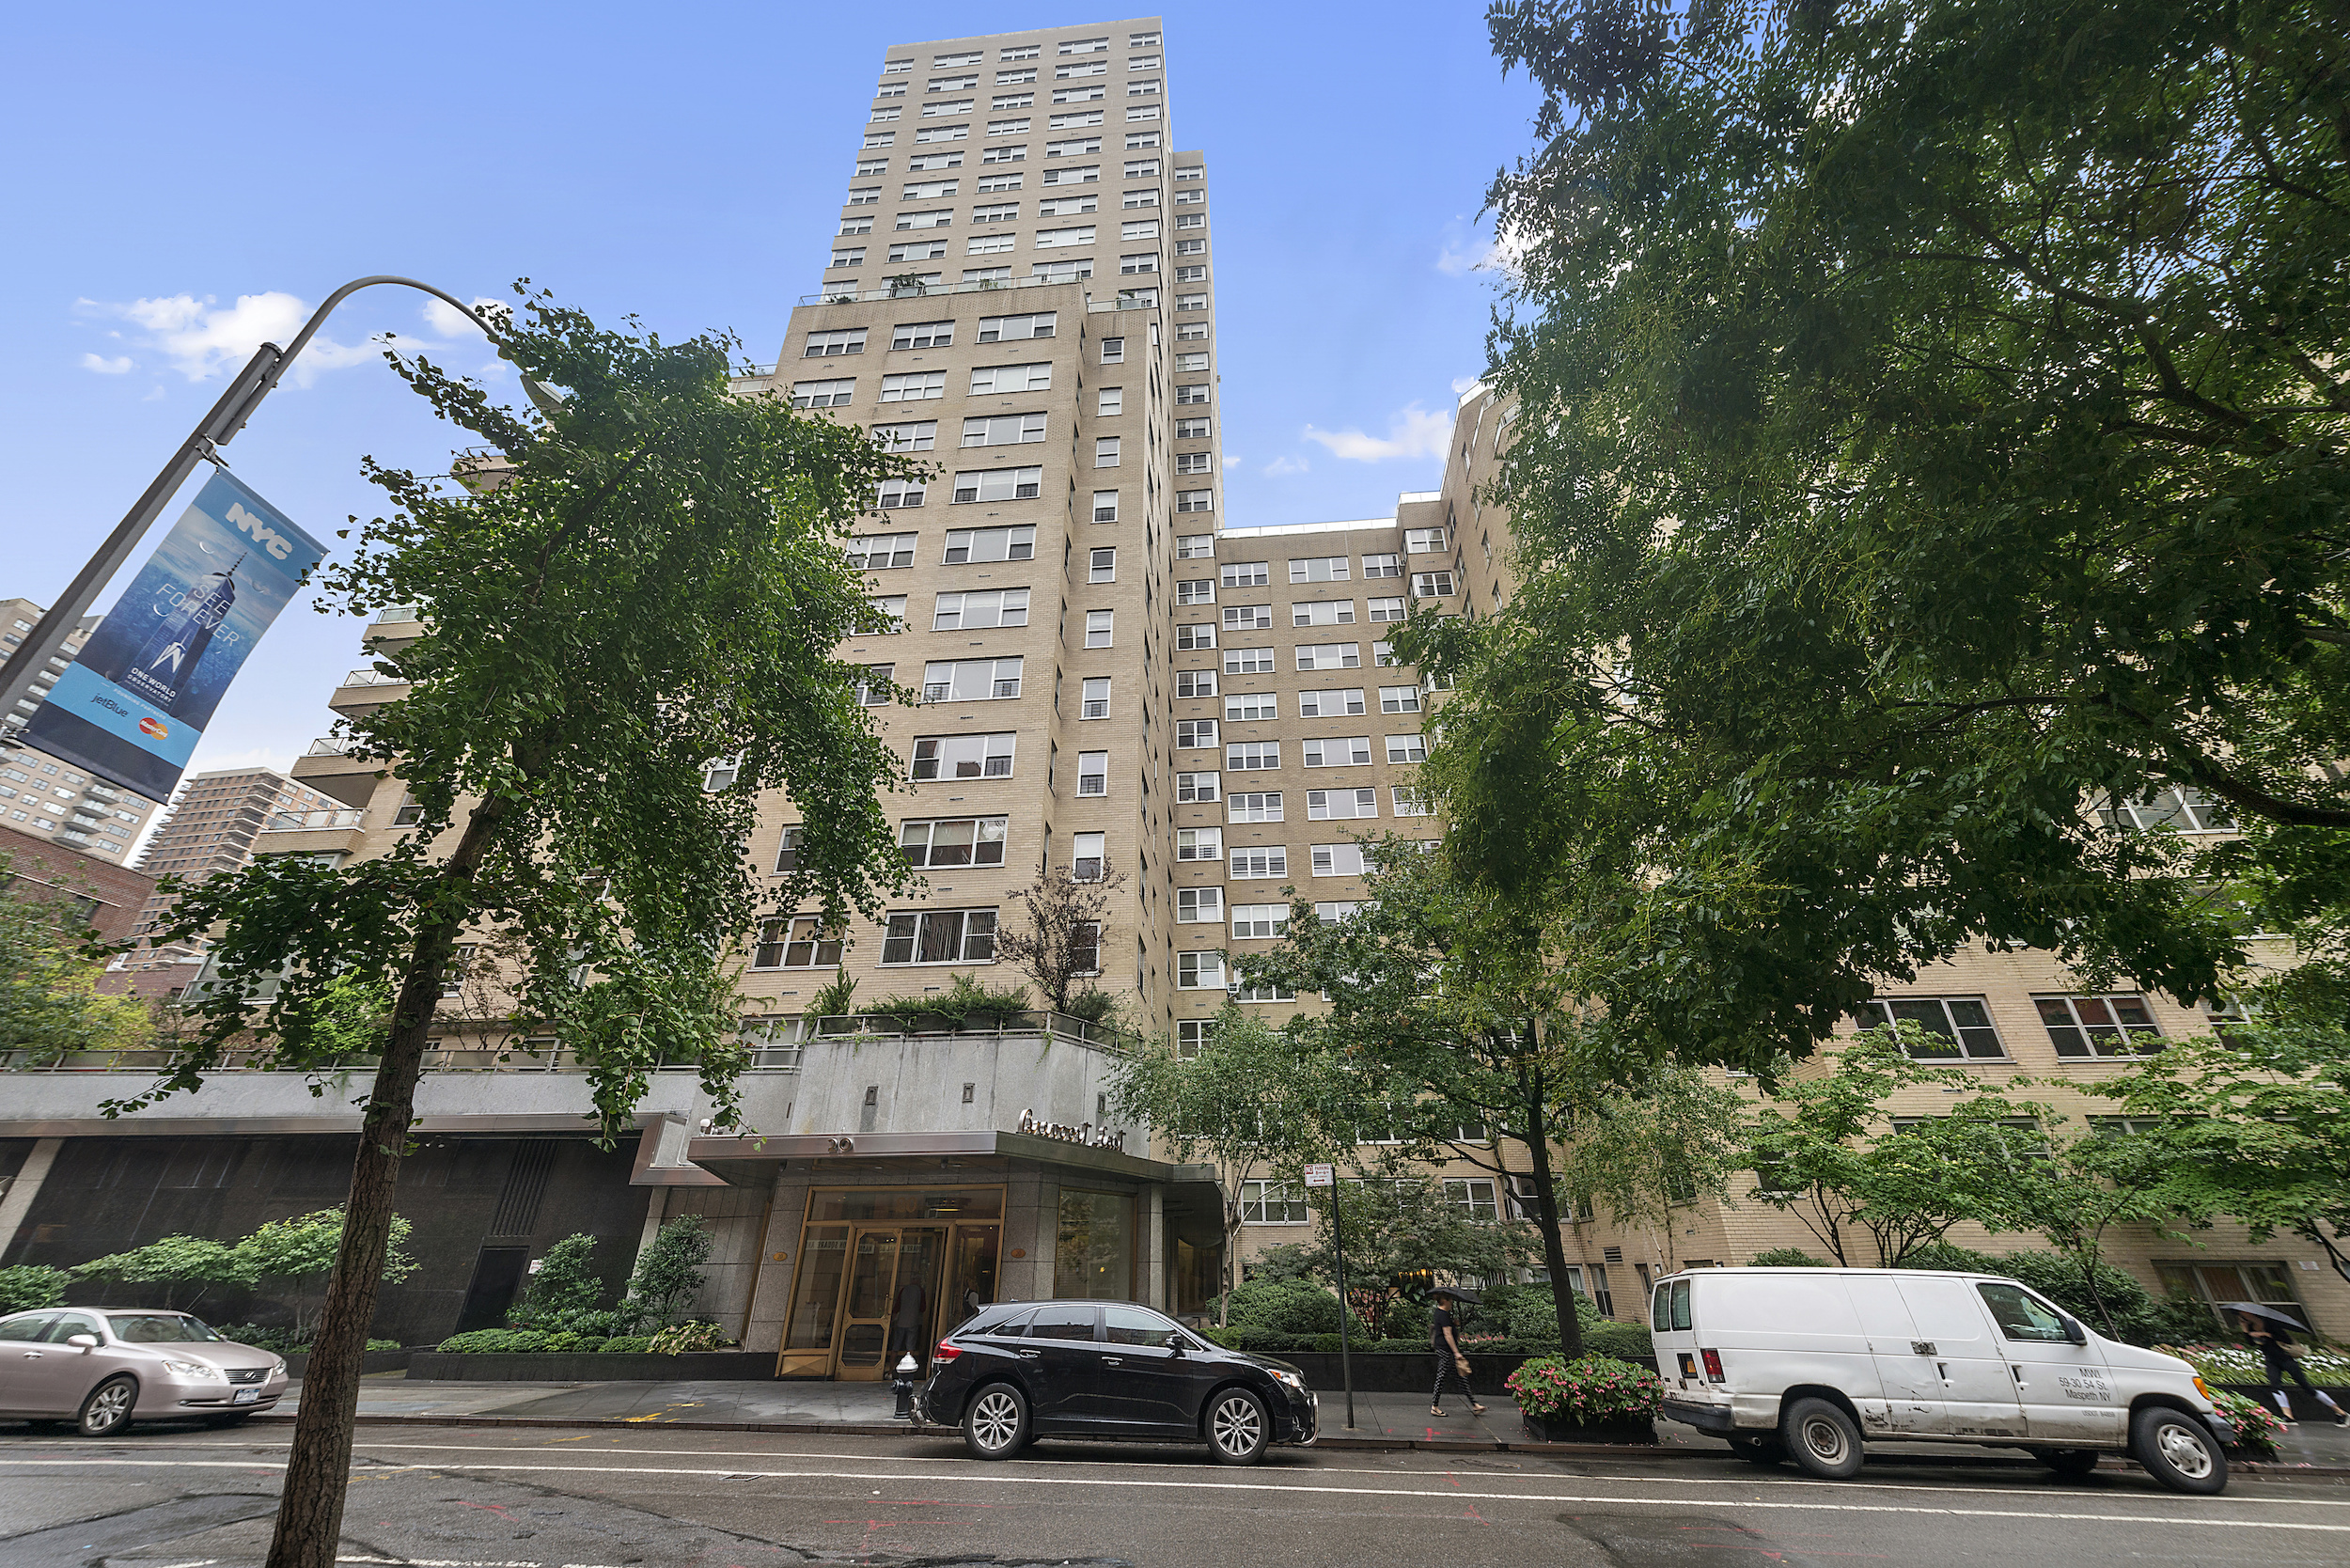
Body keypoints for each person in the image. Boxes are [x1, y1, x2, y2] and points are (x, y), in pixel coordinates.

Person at [2240, 1309, 2348, 1425]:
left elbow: (2285, 1339)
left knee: (2307, 1387)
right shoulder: (2250, 1326)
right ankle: (2288, 1416)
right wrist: (2246, 1330)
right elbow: (2251, 1343)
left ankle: (2340, 1412)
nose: (2243, 1315)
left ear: (2252, 1313)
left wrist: (2265, 1334)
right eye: (2241, 1314)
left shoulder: (2270, 1324)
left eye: (2244, 1313)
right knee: (2275, 1386)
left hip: (2286, 1359)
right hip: (2271, 1360)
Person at [1430, 1292, 1485, 1418]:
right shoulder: (1443, 1315)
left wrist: (1454, 1325)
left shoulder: (1441, 1314)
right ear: (1445, 1301)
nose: (1452, 1303)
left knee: (1460, 1377)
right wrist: (1456, 1352)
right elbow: (1447, 1335)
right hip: (1446, 1350)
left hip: (1444, 1349)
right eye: (1450, 1301)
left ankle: (1474, 1404)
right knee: (1442, 1376)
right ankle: (1434, 1406)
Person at [885, 1277, 930, 1372]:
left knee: (896, 1346)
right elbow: (923, 1308)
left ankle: (890, 1369)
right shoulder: (920, 1291)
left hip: (901, 1321)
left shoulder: (904, 1290)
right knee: (910, 1347)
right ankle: (909, 1370)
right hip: (913, 1322)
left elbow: (897, 1305)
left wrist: (893, 1317)